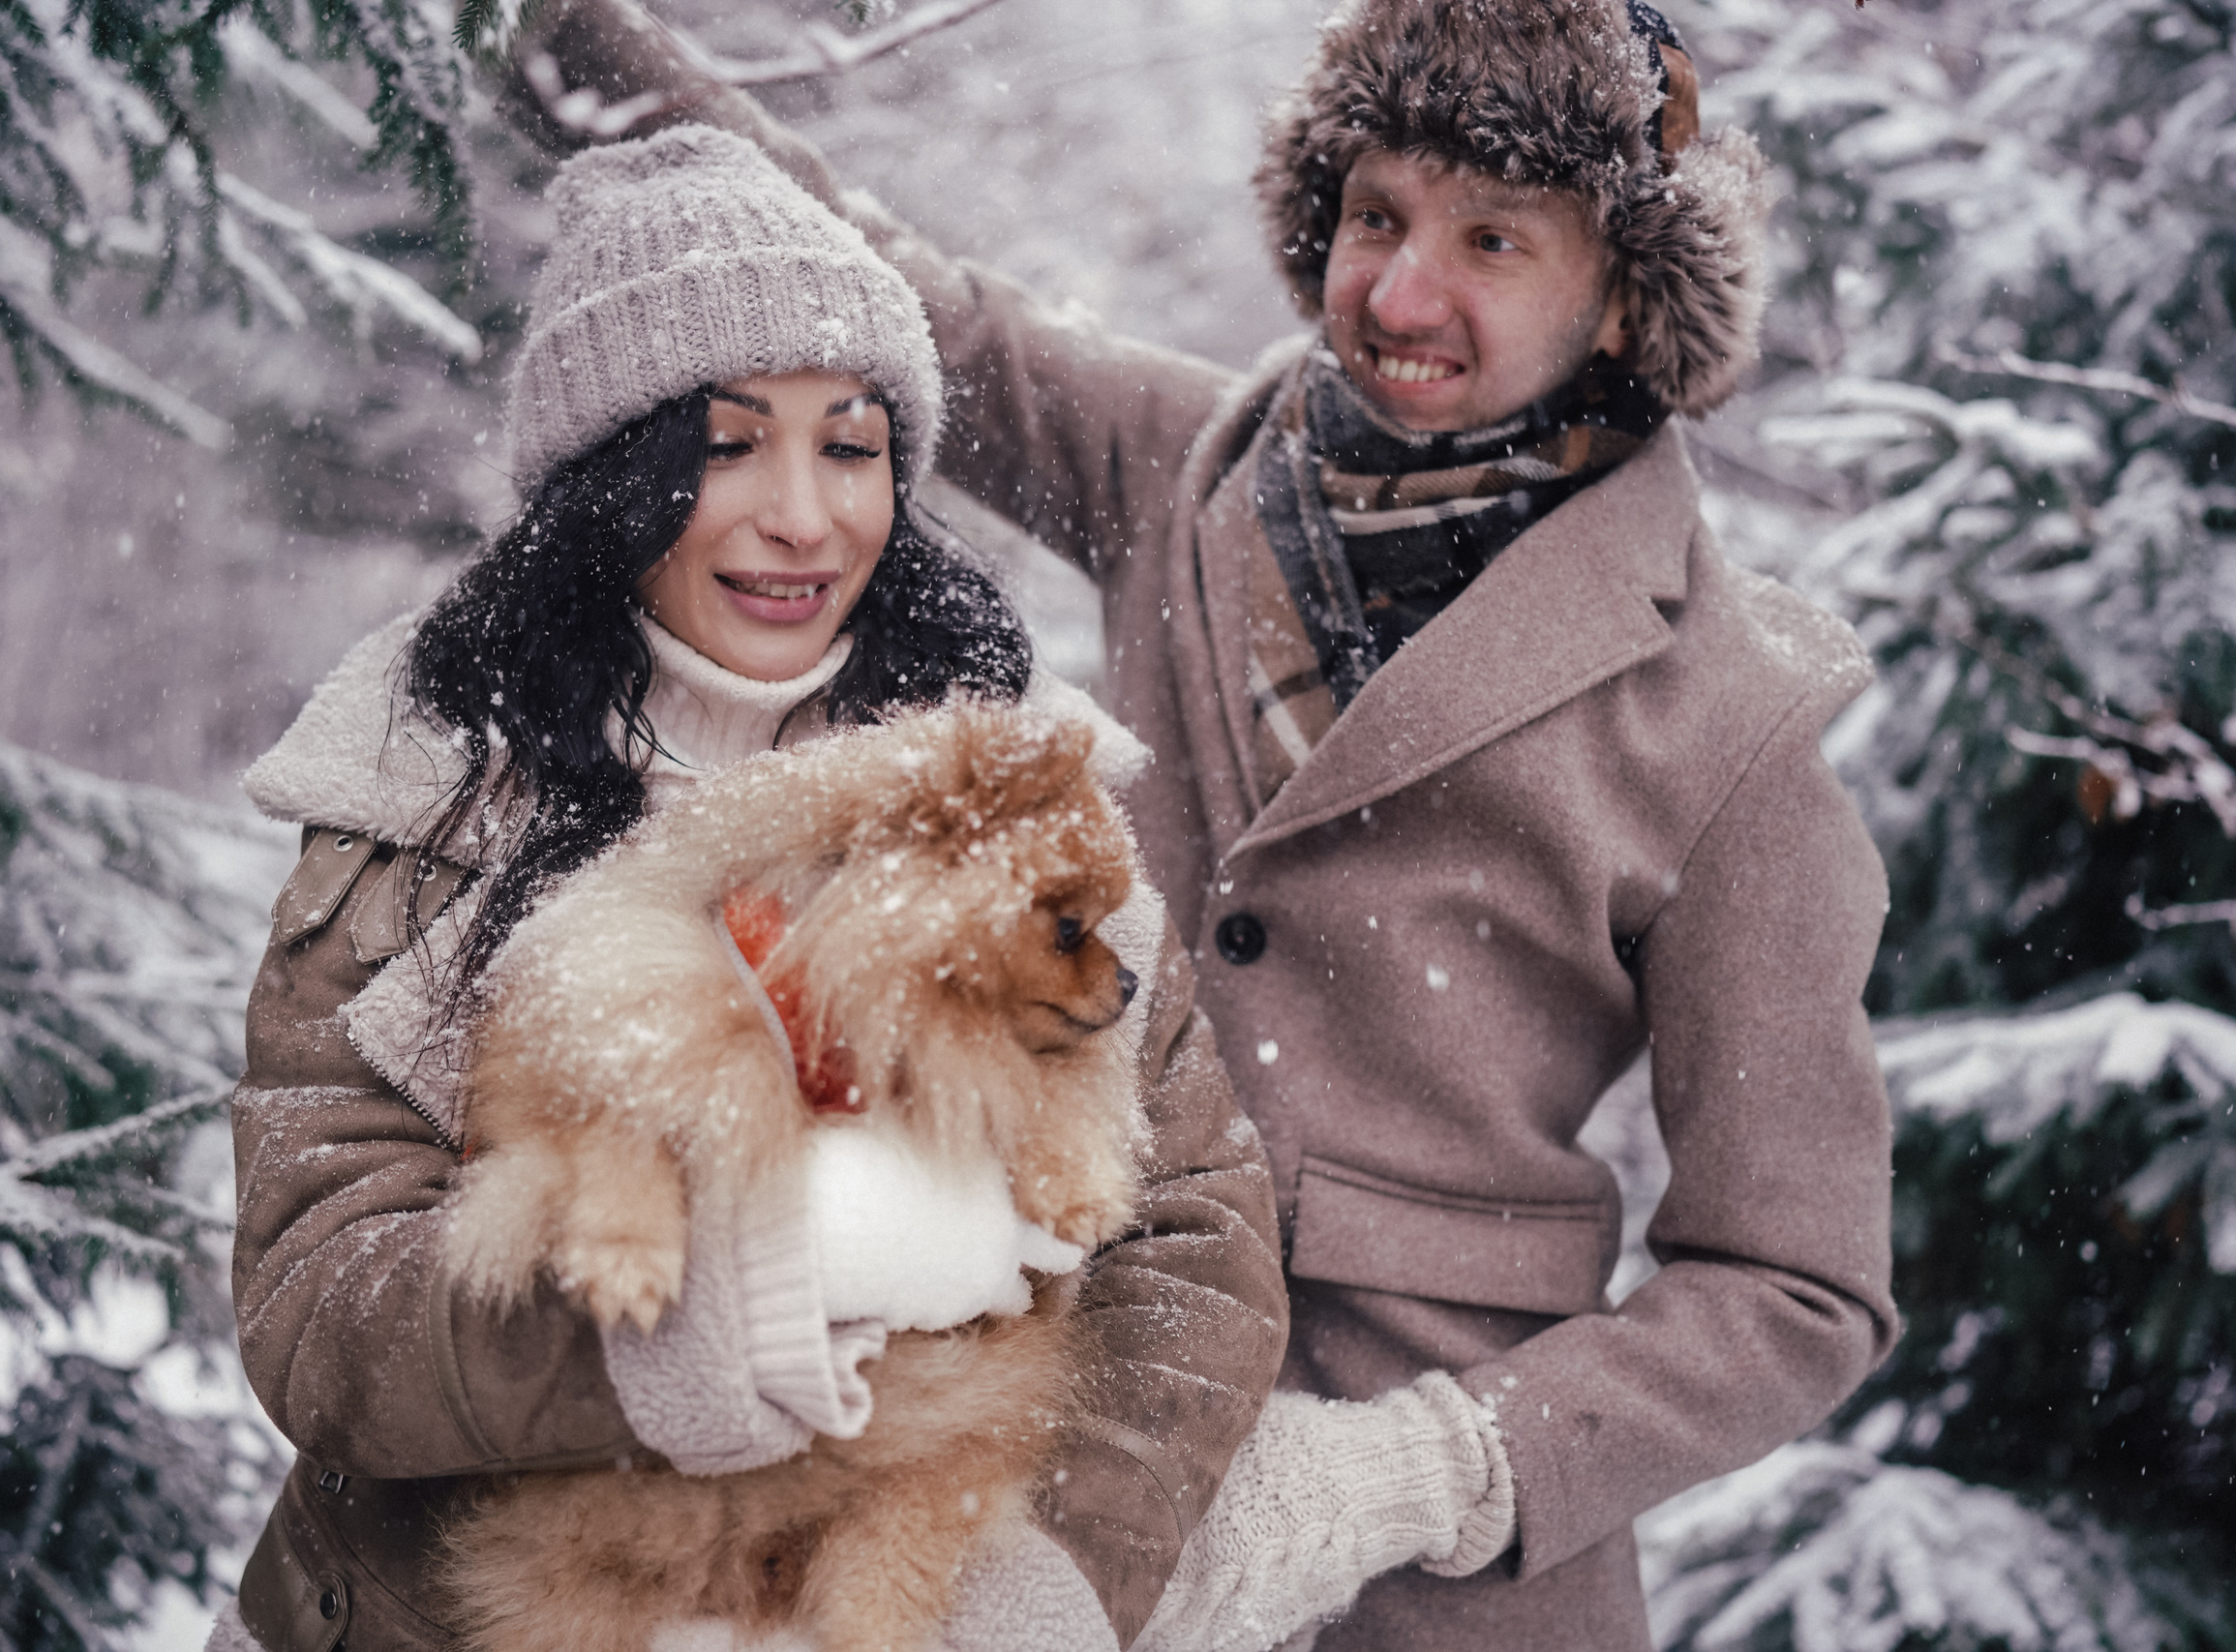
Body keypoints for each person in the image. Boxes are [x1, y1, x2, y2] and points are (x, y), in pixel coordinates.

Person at [499, 2, 1904, 1647]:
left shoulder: (1728, 714)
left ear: (1620, 297)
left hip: (1424, 1575)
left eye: (1494, 238)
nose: (1398, 292)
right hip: (1058, 1459)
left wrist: (1424, 1473)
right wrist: (555, 26)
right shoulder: (1188, 463)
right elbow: (869, 282)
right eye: (1375, 214)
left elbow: (1798, 1288)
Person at [209, 126, 1285, 1652]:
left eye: (850, 446)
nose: (803, 515)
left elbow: (1200, 1250)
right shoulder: (423, 786)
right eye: (726, 445)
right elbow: (319, 1309)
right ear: (613, 479)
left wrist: (1033, 1590)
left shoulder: (1009, 788)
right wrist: (717, 1314)